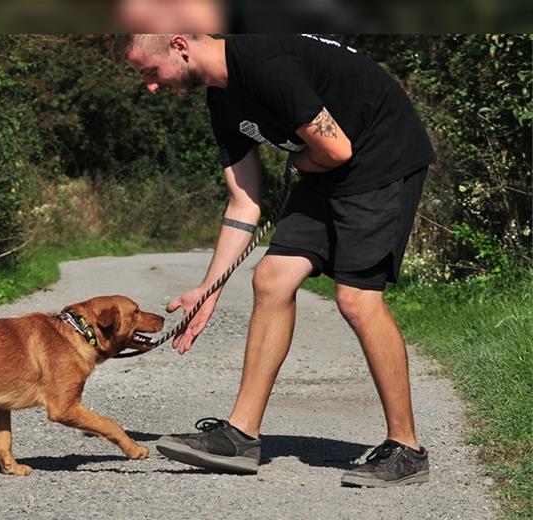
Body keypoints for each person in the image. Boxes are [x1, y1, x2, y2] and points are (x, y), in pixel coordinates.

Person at [113, 34, 436, 487]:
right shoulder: (222, 100)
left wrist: (302, 165)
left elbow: (338, 149)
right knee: (271, 278)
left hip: (380, 155)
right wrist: (209, 292)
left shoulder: (264, 60)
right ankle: (241, 436)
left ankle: (407, 450)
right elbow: (244, 203)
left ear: (180, 45)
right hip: (325, 164)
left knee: (356, 298)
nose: (150, 86)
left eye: (149, 72)